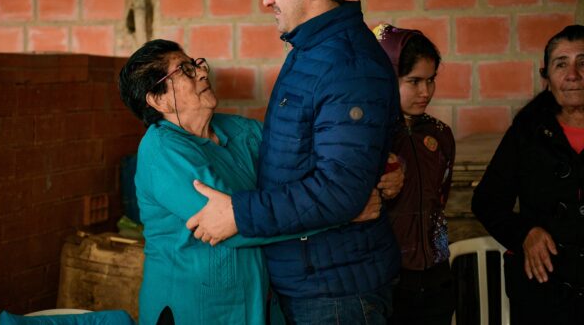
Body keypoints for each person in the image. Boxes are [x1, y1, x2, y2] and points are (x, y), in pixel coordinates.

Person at [186, 0, 402, 324]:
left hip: (336, 291)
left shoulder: (347, 64)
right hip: (309, 277)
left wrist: (239, 214)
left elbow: (339, 190)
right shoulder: (311, 50)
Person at [118, 40, 403, 325]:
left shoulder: (239, 130)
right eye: (185, 70)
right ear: (159, 100)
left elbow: (305, 165)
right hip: (195, 307)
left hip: (256, 299)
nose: (202, 72)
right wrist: (342, 210)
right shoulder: (162, 152)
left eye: (196, 64)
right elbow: (235, 224)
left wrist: (378, 167)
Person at [471, 24, 584, 324]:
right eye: (561, 64)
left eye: (583, 62)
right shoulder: (527, 132)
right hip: (544, 295)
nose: (573, 74)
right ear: (546, 78)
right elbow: (486, 202)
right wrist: (525, 233)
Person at [374, 24, 456, 325]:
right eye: (414, 81)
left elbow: (440, 198)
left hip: (437, 276)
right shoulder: (371, 136)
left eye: (431, 80)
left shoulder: (440, 134)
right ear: (386, 77)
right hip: (388, 279)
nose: (426, 92)